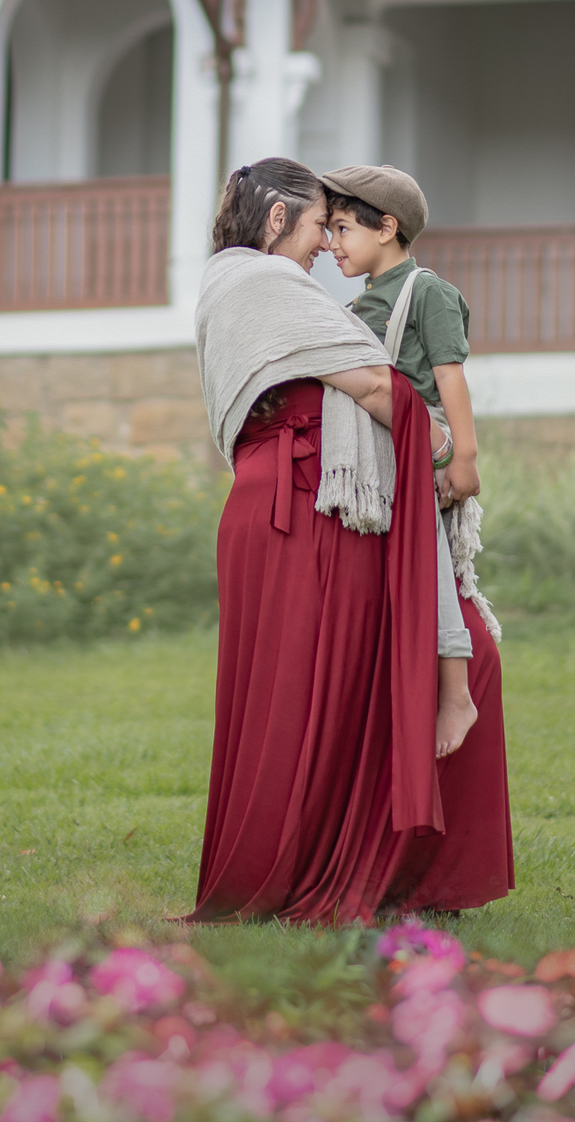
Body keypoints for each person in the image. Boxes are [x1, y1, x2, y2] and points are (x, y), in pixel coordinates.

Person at [190, 157, 512, 925]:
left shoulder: (231, 284)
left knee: (317, 686)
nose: (320, 249)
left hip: (299, 497)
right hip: (309, 502)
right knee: (327, 684)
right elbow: (371, 384)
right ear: (276, 222)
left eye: (337, 229)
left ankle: (386, 867)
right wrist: (446, 445)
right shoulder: (266, 284)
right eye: (314, 227)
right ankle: (361, 870)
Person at [322, 165, 484, 761]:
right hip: (373, 459)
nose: (331, 243)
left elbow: (449, 378)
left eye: (342, 228)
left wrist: (462, 457)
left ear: (386, 227)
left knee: (432, 562)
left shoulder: (428, 293)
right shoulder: (358, 301)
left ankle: (456, 690)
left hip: (414, 453)